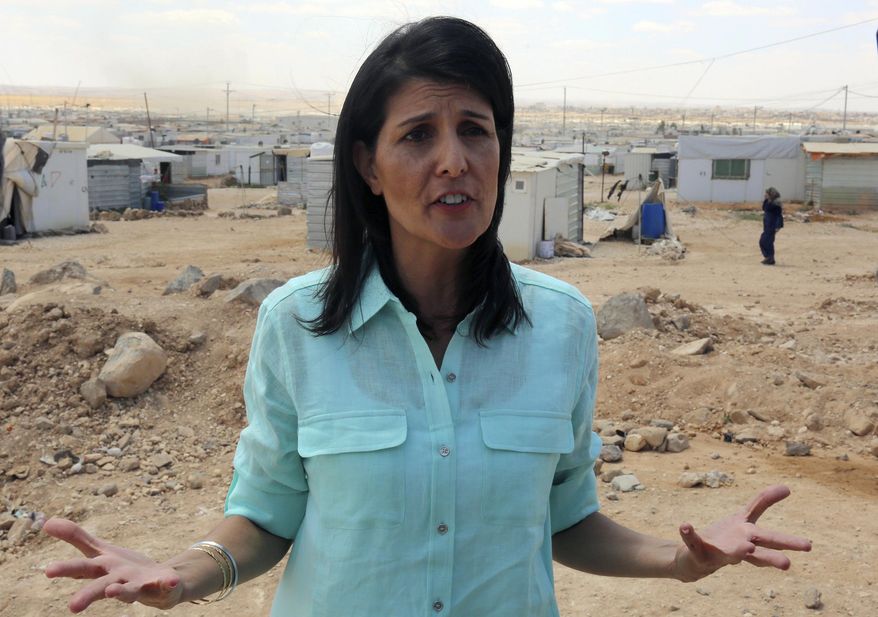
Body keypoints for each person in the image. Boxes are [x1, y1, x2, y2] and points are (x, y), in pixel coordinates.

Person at [42, 17, 811, 616]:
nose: (454, 160)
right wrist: (177, 576)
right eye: (418, 135)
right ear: (368, 167)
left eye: (475, 129)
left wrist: (681, 560)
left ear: (502, 153)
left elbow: (566, 517)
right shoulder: (293, 324)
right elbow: (266, 516)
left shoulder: (564, 325)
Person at [760, 187, 784, 265]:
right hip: (767, 224)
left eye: (766, 193)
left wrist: (778, 226)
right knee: (764, 241)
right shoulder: (768, 202)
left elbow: (778, 216)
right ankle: (769, 257)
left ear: (770, 194)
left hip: (772, 225)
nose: (765, 194)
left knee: (766, 241)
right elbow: (764, 208)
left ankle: (770, 258)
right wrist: (766, 199)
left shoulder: (776, 204)